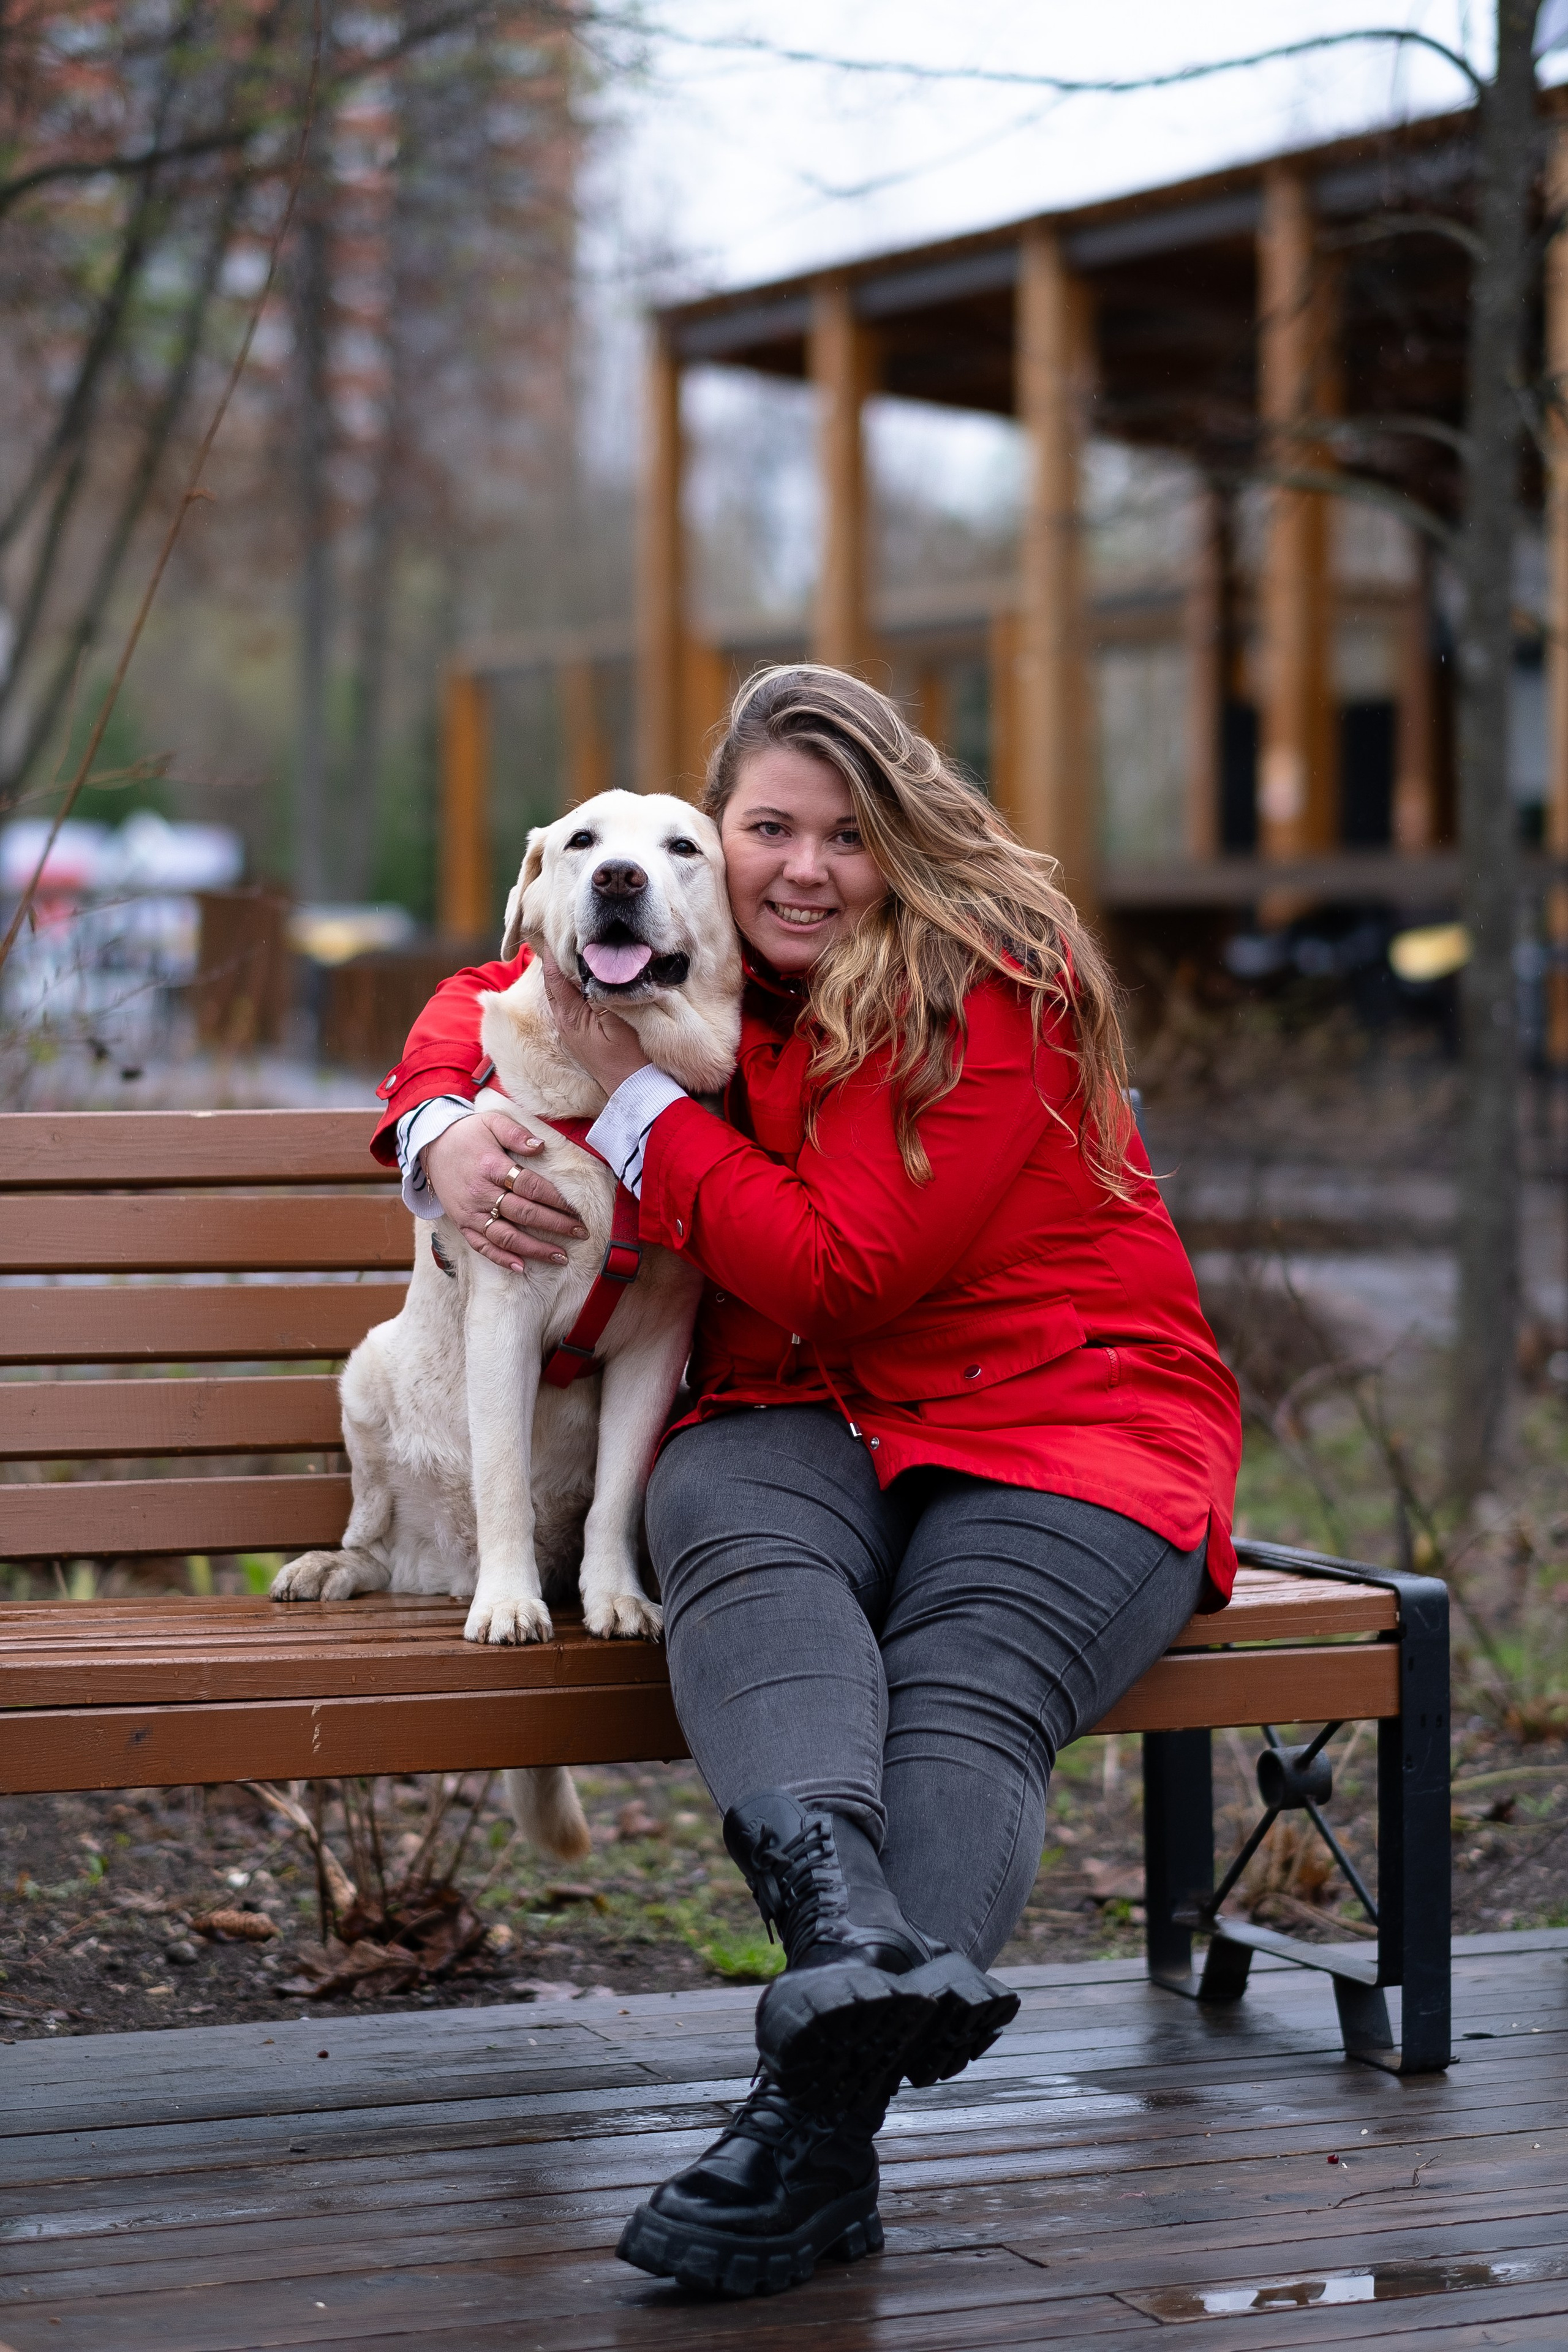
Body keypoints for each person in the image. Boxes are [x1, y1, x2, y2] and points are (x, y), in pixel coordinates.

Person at [370, 666, 1242, 2300]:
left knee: (968, 1683)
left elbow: (847, 1270)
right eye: (766, 828)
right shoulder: (704, 966)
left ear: (900, 839)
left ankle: (813, 2134)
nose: (803, 869)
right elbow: (494, 991)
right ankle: (854, 1953)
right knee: (724, 1523)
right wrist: (435, 1128)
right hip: (799, 1412)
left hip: (1066, 1417)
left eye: (846, 836)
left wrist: (631, 1102)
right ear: (717, 841)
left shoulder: (994, 979)